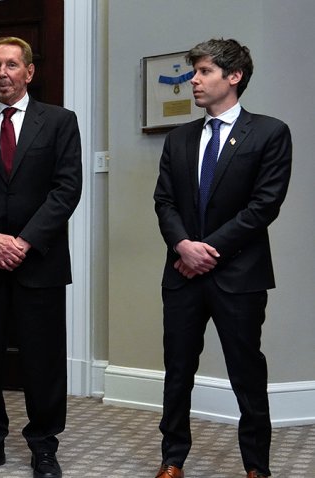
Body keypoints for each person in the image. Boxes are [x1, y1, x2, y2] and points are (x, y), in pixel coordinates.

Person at [153, 38, 292, 478]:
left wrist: (205, 251)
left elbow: (263, 206)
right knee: (177, 372)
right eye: (194, 71)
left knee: (246, 375)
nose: (193, 80)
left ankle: (256, 468)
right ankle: (172, 460)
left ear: (234, 77)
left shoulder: (270, 132)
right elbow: (164, 202)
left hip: (239, 277)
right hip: (181, 274)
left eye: (204, 72)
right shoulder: (179, 138)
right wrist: (182, 246)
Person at [0, 37, 82, 478]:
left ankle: (44, 445)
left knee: (42, 360)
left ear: (29, 72)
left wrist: (23, 242)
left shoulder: (60, 122)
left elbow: (66, 190)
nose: (2, 73)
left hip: (39, 262)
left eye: (11, 65)